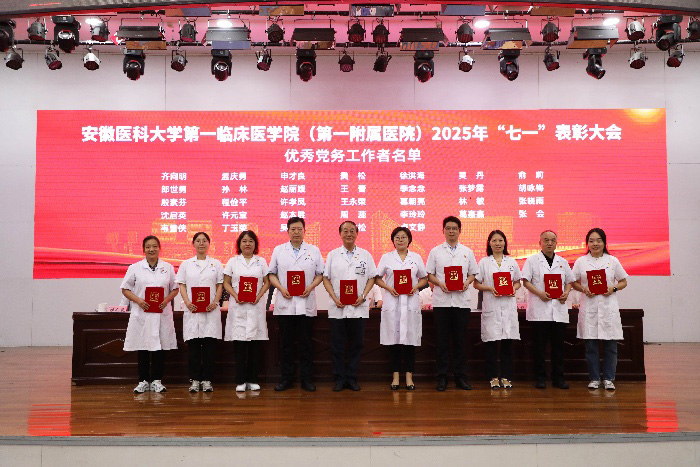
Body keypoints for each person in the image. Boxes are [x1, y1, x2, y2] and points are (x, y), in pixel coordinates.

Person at [268, 217, 325, 392]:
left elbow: (320, 274)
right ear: (287, 231)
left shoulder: (314, 250)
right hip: (285, 304)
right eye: (293, 229)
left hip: (305, 303)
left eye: (299, 229)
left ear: (304, 231)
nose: (296, 232)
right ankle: (287, 379)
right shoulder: (279, 250)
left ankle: (306, 380)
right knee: (286, 344)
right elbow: (271, 274)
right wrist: (281, 288)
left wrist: (310, 287)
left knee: (306, 344)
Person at [322, 221, 377, 391]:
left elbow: (372, 278)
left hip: (358, 307)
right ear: (340, 234)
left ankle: (352, 378)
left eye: (352, 231)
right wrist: (334, 298)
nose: (349, 234)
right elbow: (325, 278)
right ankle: (339, 379)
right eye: (345, 231)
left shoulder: (365, 255)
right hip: (337, 307)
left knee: (356, 345)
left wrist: (363, 296)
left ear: (357, 233)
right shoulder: (333, 255)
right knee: (337, 345)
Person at [121, 235, 179, 393]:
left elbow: (175, 289)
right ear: (143, 249)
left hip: (161, 313)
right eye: (148, 247)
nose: (151, 249)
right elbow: (125, 289)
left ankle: (157, 381)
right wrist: (139, 301)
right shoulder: (135, 268)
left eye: (154, 246)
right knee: (143, 347)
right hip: (142, 313)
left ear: (159, 248)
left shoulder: (168, 267)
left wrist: (166, 300)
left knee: (160, 348)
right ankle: (143, 381)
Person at [426, 216, 479, 391]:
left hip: (461, 303)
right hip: (441, 302)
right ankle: (441, 378)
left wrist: (467, 282)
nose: (451, 231)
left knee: (460, 341)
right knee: (441, 341)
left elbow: (473, 273)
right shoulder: (435, 251)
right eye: (448, 228)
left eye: (454, 228)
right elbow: (430, 274)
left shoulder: (467, 252)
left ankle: (460, 377)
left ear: (459, 231)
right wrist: (440, 283)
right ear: (443, 231)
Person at [572, 228, 628, 391]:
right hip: (589, 307)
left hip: (608, 306)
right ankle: (594, 378)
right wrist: (584, 289)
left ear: (604, 243)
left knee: (611, 346)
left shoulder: (612, 260)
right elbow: (573, 282)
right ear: (587, 243)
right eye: (591, 241)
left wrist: (613, 288)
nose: (595, 244)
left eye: (598, 240)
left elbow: (623, 281)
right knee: (591, 346)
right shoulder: (581, 261)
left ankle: (609, 378)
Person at [375, 226, 428, 390]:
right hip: (392, 302)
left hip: (410, 303)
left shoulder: (416, 257)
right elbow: (377, 278)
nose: (400, 240)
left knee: (410, 342)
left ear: (409, 240)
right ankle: (396, 377)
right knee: (394, 342)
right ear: (393, 240)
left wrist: (415, 287)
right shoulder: (386, 257)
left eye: (403, 237)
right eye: (397, 237)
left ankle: (409, 377)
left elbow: (424, 278)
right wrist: (389, 288)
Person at [521, 230, 574, 390]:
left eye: (552, 240)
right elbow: (526, 281)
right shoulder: (532, 260)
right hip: (540, 310)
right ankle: (540, 378)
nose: (549, 243)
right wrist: (539, 293)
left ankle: (558, 378)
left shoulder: (562, 261)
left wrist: (566, 293)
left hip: (558, 309)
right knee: (539, 348)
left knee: (558, 347)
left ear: (556, 243)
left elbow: (569, 281)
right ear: (540, 243)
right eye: (546, 240)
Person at [176, 232, 224, 393]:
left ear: (209, 244)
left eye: (204, 241)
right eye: (198, 241)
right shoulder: (186, 264)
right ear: (193, 244)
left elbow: (220, 285)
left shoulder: (216, 264)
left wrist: (215, 302)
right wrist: (187, 302)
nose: (201, 243)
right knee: (194, 348)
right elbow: (182, 285)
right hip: (193, 310)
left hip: (211, 310)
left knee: (210, 348)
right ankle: (195, 380)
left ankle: (208, 380)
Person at [223, 230, 270, 393]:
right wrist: (235, 295)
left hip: (255, 307)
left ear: (255, 244)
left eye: (251, 241)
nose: (247, 244)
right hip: (238, 308)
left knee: (254, 346)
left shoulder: (261, 261)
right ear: (239, 244)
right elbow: (226, 282)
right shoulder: (233, 261)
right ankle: (241, 380)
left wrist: (259, 296)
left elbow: (267, 282)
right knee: (240, 346)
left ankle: (253, 379)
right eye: (244, 241)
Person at [473, 230, 522, 389]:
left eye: (500, 240)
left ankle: (506, 377)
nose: (498, 243)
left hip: (508, 307)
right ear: (489, 243)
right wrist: (489, 288)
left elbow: (517, 282)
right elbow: (476, 283)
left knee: (507, 345)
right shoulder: (484, 262)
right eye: (494, 240)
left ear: (505, 243)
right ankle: (493, 377)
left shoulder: (511, 261)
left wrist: (513, 288)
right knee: (491, 346)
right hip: (491, 306)